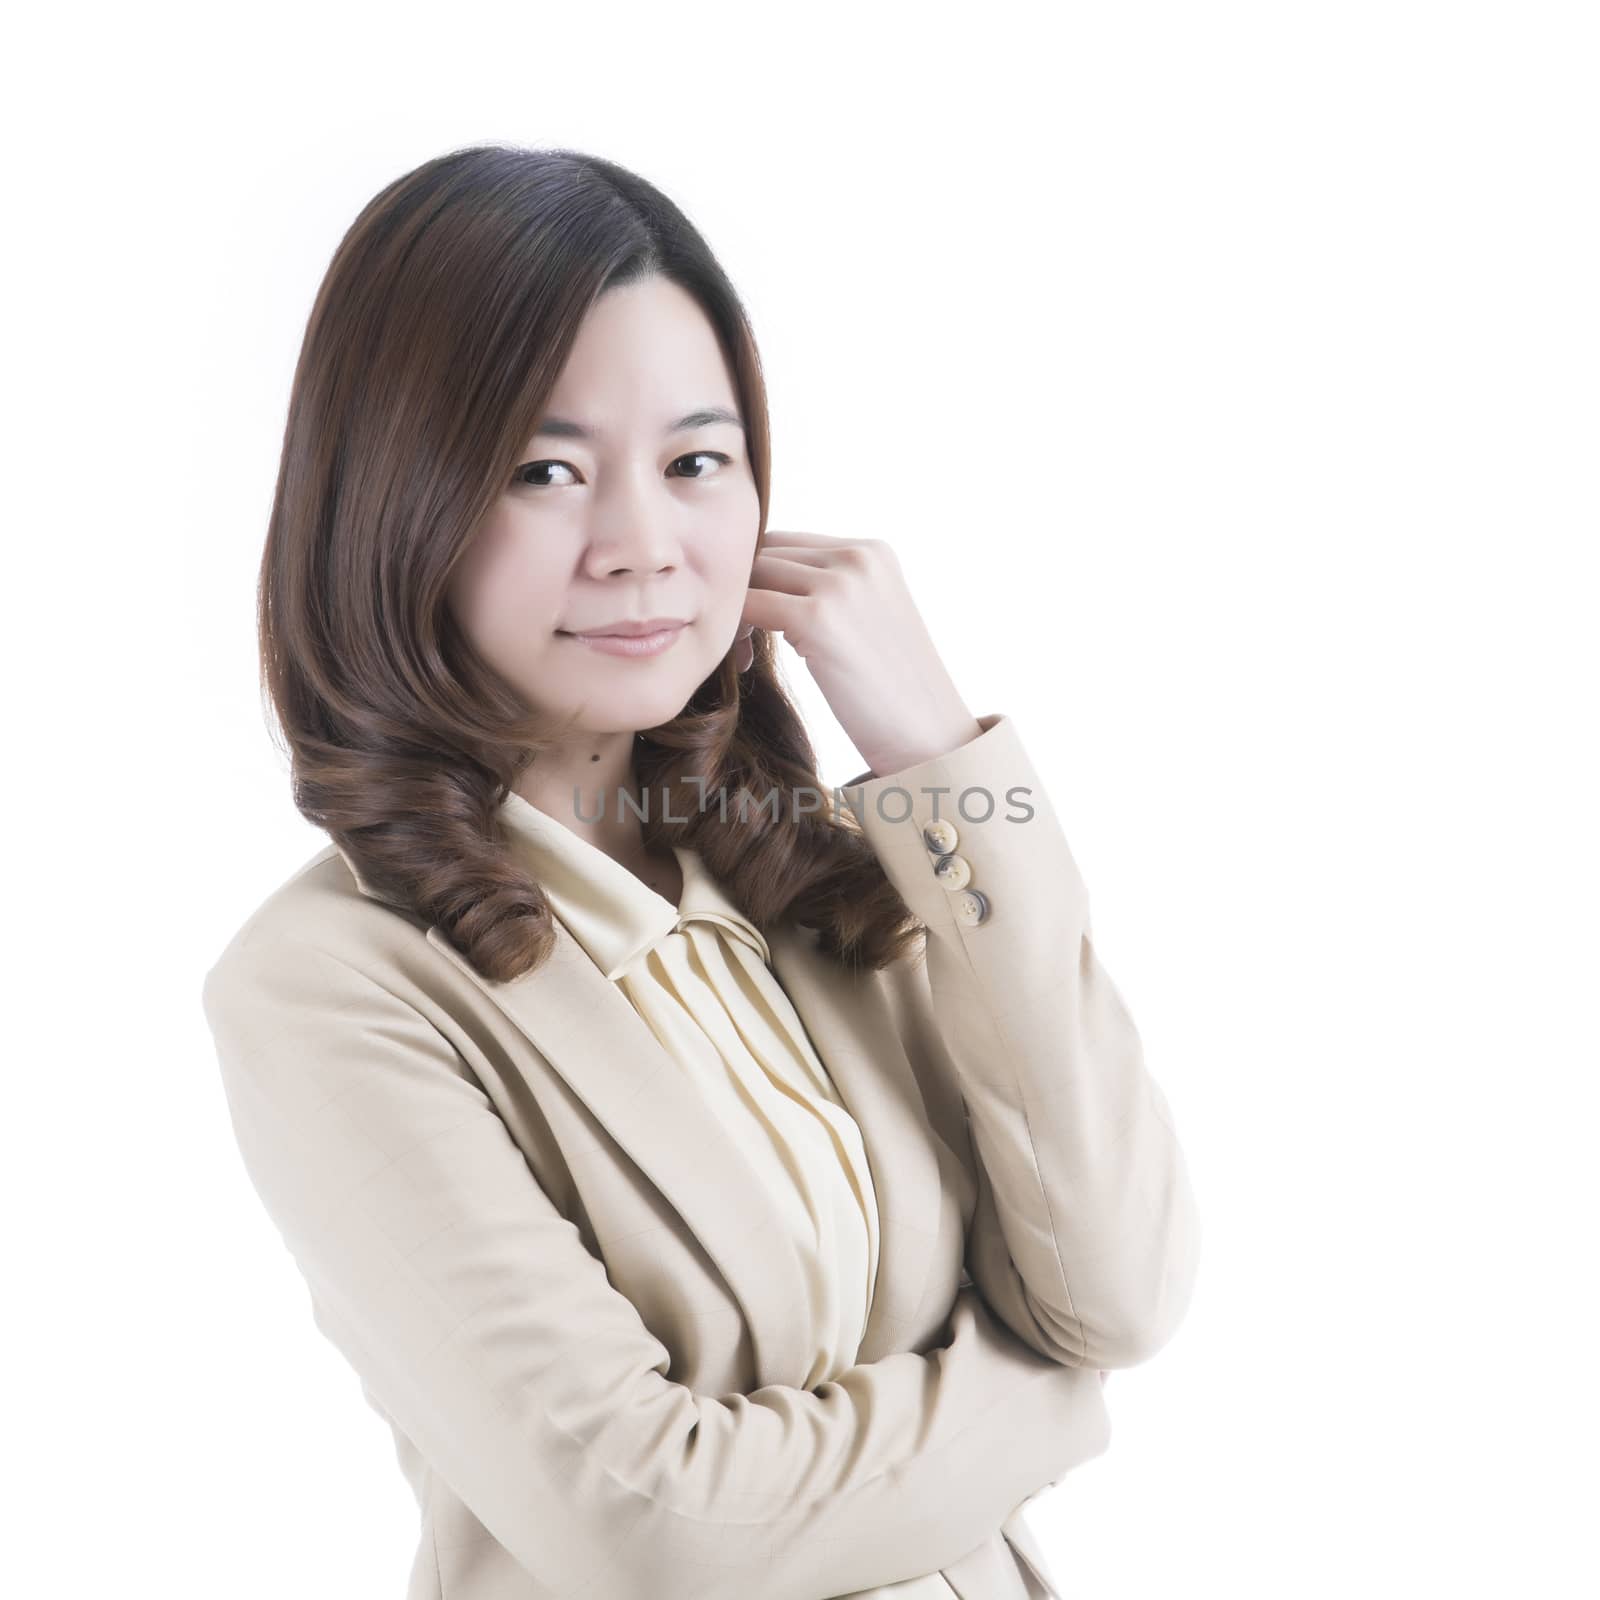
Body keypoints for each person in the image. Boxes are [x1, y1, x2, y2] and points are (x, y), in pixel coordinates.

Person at [200, 143, 1202, 1600]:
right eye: (545, 471)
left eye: (695, 463)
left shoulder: (827, 879)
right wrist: (1045, 1395)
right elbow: (658, 1528)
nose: (644, 548)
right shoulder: (332, 989)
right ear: (398, 504)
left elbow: (1117, 1282)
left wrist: (938, 757)